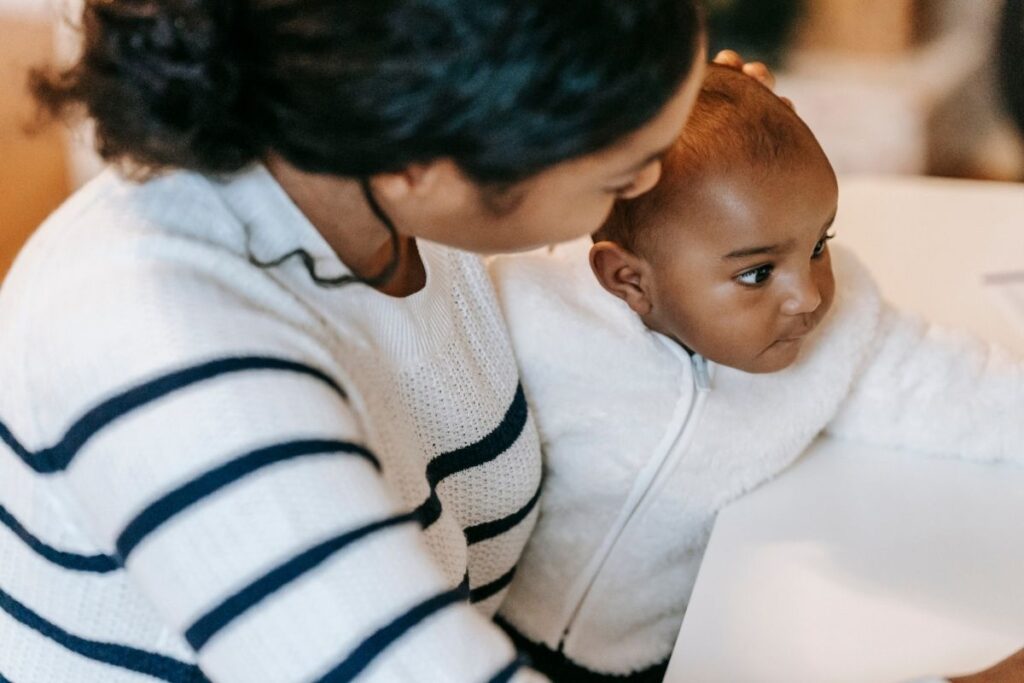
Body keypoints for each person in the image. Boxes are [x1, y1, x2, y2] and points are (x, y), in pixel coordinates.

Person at [0, 1, 710, 681]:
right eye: (626, 173)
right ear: (418, 166)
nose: (652, 178)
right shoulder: (153, 338)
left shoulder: (377, 189)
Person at [489, 64, 1024, 681]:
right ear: (630, 280)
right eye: (757, 273)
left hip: (670, 655)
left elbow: (954, 387)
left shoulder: (839, 329)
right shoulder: (532, 311)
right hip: (491, 626)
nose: (808, 296)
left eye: (820, 244)